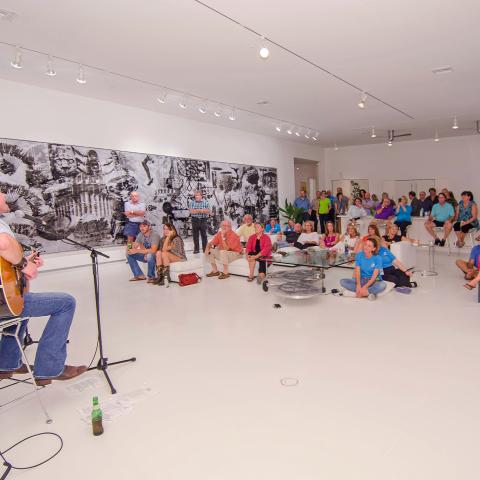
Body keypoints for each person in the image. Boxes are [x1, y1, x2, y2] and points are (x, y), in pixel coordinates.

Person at [0, 192, 87, 386]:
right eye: (0, 192)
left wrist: (22, 264)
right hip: (2, 302)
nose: (4, 194)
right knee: (65, 303)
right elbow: (3, 243)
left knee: (21, 302)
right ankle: (50, 368)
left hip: (4, 302)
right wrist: (23, 264)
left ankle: (7, 363)